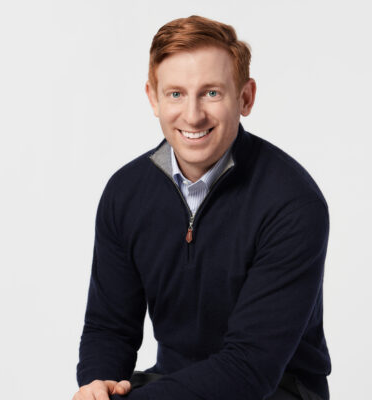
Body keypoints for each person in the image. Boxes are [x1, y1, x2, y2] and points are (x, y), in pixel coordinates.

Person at [72, 15, 331, 400]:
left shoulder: (292, 202)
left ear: (245, 98)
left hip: (275, 390)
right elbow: (109, 328)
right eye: (176, 94)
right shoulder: (125, 193)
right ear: (153, 98)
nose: (192, 115)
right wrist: (97, 385)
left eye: (211, 93)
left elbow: (250, 369)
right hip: (171, 385)